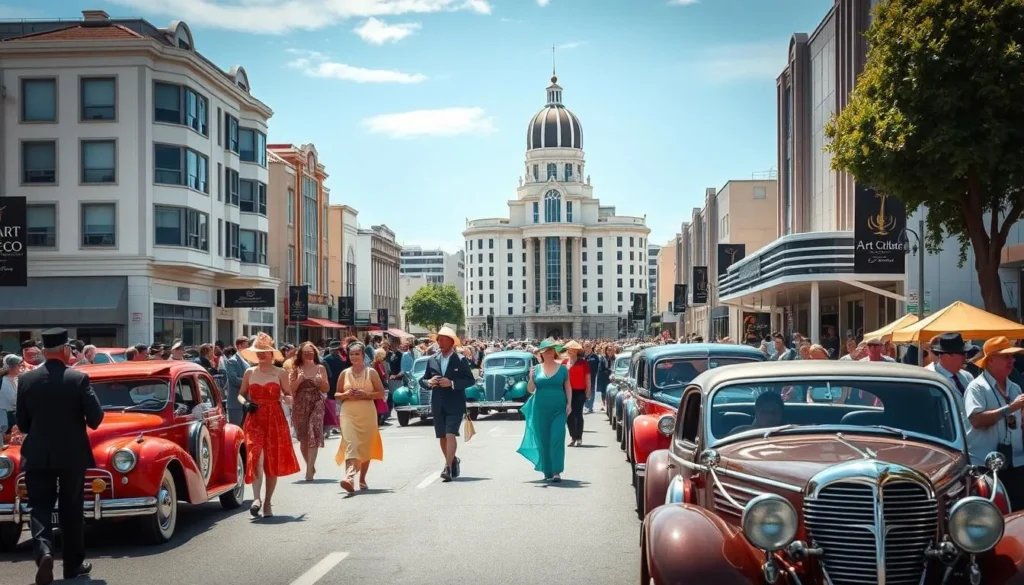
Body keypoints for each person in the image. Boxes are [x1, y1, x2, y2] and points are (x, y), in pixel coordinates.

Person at [16, 328, 104, 584]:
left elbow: (22, 424)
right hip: (72, 455)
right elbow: (96, 419)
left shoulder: (26, 381)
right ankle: (73, 565)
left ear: (44, 351)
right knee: (72, 508)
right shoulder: (78, 379)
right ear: (66, 350)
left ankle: (43, 550)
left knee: (39, 506)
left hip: (38, 453)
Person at [237, 333, 299, 518]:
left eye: (265, 351)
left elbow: (289, 396)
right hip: (254, 418)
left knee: (271, 462)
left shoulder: (280, 373)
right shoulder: (249, 372)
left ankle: (268, 502)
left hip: (275, 419)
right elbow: (241, 394)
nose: (262, 354)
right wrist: (246, 403)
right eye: (258, 351)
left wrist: (285, 398)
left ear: (272, 354)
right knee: (256, 456)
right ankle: (256, 499)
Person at [964, 336, 1024, 509]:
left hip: (1016, 462)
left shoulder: (1014, 388)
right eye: (1006, 356)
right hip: (986, 465)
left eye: (1012, 356)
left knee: (1017, 512)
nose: (1012, 360)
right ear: (990, 361)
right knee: (991, 514)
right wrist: (1009, 408)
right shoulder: (977, 387)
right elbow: (976, 420)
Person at [420, 326, 475, 482]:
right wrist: (429, 382)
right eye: (438, 340)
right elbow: (423, 380)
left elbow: (470, 380)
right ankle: (453, 460)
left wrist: (451, 383)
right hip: (437, 403)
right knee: (442, 436)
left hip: (455, 403)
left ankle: (447, 468)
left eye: (443, 339)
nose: (440, 342)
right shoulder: (432, 359)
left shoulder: (461, 359)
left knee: (450, 433)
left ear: (452, 342)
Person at [517, 339, 571, 482]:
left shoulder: (563, 369)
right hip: (540, 408)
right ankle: (547, 470)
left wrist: (569, 403)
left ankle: (556, 470)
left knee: (557, 437)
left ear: (554, 352)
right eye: (546, 351)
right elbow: (530, 389)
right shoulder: (536, 369)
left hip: (559, 408)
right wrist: (531, 378)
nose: (548, 353)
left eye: (551, 350)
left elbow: (568, 387)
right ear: (541, 353)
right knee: (543, 439)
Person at [334, 342, 385, 493]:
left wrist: (365, 395)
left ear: (363, 355)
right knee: (351, 443)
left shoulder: (371, 373)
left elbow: (381, 393)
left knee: (365, 445)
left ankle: (362, 478)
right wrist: (345, 395)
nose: (354, 357)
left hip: (367, 412)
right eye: (351, 354)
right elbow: (336, 395)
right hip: (348, 412)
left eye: (357, 354)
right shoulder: (345, 373)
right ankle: (349, 477)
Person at [289, 342, 329, 482]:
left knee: (313, 433)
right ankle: (310, 465)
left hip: (316, 402)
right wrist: (299, 379)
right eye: (305, 352)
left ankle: (309, 471)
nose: (308, 354)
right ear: (300, 354)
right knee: (304, 438)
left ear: (315, 354)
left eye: (311, 352)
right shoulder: (296, 369)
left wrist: (320, 382)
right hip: (300, 404)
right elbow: (290, 390)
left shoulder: (320, 368)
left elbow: (326, 389)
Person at [563, 341, 591, 447]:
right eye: (570, 349)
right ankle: (573, 436)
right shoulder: (564, 363)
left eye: (574, 349)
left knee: (578, 413)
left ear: (577, 351)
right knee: (569, 414)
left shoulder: (583, 363)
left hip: (580, 391)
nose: (571, 351)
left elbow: (588, 378)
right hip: (567, 391)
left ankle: (579, 437)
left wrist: (588, 391)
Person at [321, 340, 346, 437]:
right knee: (339, 406)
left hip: (331, 386)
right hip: (340, 385)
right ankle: (338, 425)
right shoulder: (342, 358)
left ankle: (332, 426)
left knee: (331, 406)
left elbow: (327, 373)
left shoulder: (326, 359)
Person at [1, 354, 22, 433]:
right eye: (18, 365)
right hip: (7, 417)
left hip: (15, 414)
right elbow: (13, 400)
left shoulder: (16, 379)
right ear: (10, 367)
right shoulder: (4, 381)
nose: (20, 367)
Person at [582, 342, 601, 413]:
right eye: (586, 346)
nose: (587, 347)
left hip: (592, 377)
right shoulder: (582, 356)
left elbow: (598, 367)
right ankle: (585, 405)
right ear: (583, 347)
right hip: (582, 377)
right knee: (584, 391)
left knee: (591, 391)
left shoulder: (595, 356)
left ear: (591, 347)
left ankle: (590, 406)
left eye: (588, 346)